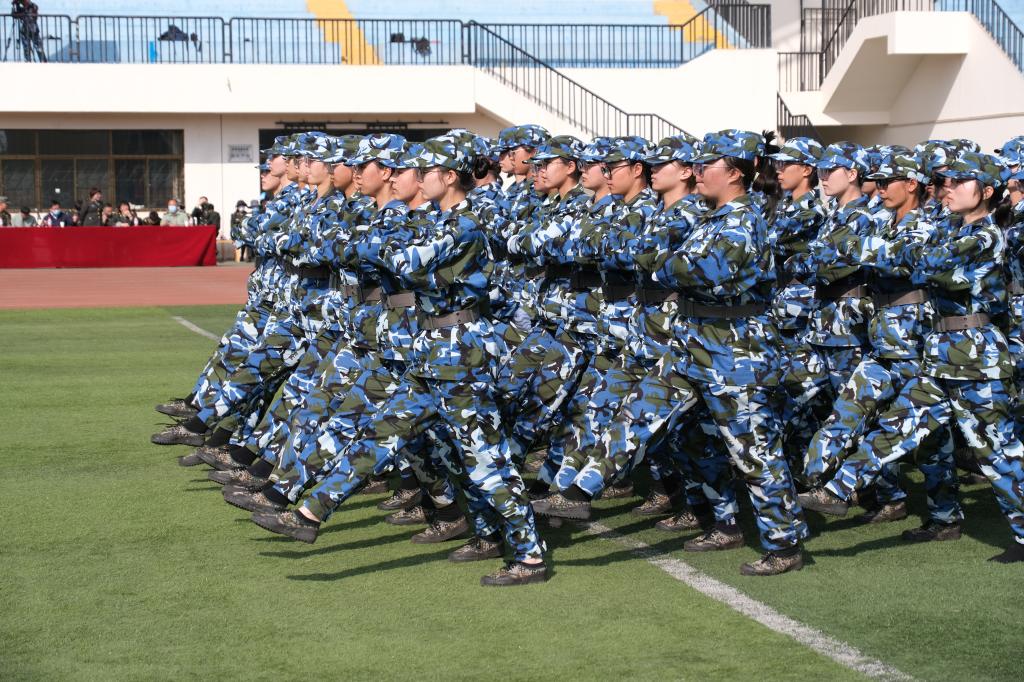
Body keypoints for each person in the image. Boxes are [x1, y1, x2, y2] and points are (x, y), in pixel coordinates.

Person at [800, 151, 1024, 562]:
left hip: (975, 360)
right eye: (947, 182)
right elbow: (909, 255)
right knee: (897, 424)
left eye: (959, 183)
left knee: (998, 453)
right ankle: (837, 490)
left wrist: (856, 246)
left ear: (988, 192)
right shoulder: (950, 228)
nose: (948, 189)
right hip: (940, 356)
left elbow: (923, 263)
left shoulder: (986, 236)